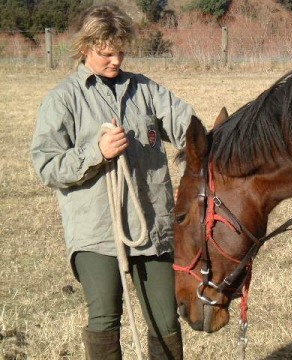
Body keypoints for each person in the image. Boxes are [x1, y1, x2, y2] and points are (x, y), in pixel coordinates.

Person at [30, 3, 195, 359]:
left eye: (120, 52)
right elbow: (47, 166)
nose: (116, 61)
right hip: (97, 232)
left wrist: (222, 141)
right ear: (86, 48)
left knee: (166, 321)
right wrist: (96, 152)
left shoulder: (146, 91)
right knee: (105, 318)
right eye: (107, 53)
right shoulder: (63, 99)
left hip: (152, 227)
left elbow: (189, 128)